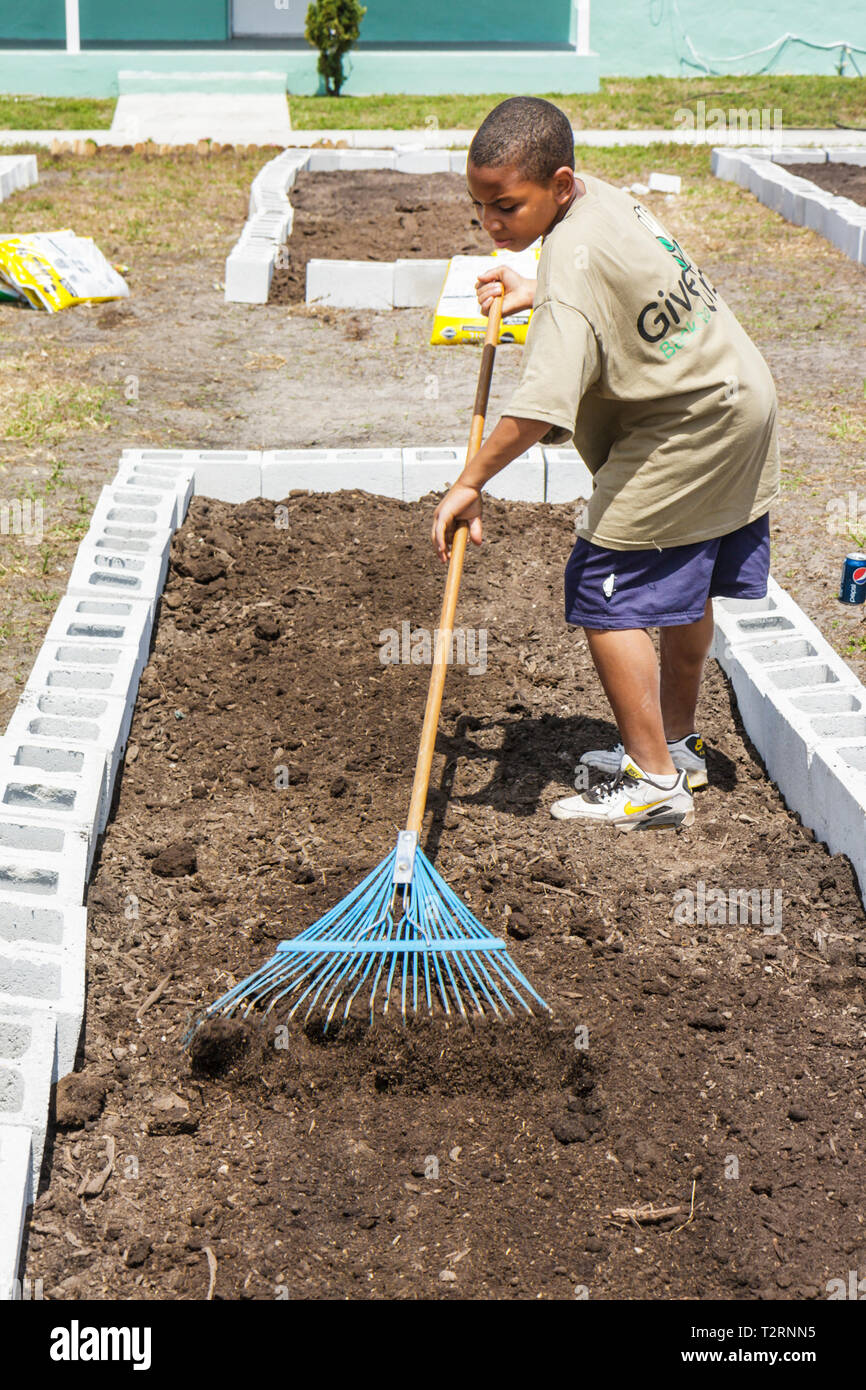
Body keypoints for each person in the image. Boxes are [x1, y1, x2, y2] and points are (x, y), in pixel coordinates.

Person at [431, 96, 780, 831]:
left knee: (603, 587)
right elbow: (617, 284)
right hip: (739, 393)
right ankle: (678, 748)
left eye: (506, 206)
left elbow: (540, 407)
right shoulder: (603, 199)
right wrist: (540, 293)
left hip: (687, 427)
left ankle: (653, 781)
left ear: (558, 185)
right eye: (480, 208)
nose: (493, 226)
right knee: (688, 577)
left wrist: (468, 484)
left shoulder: (569, 254)